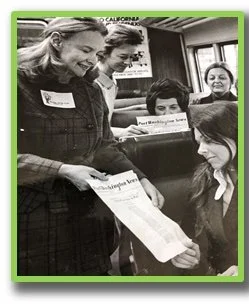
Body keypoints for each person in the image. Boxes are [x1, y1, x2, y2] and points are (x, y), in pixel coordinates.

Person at [17, 17, 164, 276]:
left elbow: (105, 146)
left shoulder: (90, 89)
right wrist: (62, 169)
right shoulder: (17, 83)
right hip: (34, 215)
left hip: (88, 212)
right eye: (85, 50)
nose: (91, 60)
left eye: (96, 53)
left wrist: (139, 179)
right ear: (56, 41)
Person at [172, 101, 238, 276]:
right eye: (199, 142)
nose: (201, 150)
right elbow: (189, 232)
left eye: (209, 140)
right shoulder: (204, 180)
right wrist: (187, 255)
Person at [95, 24, 148, 138]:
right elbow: (88, 128)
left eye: (131, 57)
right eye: (123, 57)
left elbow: (105, 113)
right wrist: (121, 132)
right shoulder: (91, 82)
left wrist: (134, 108)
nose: (128, 63)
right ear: (104, 52)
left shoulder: (111, 80)